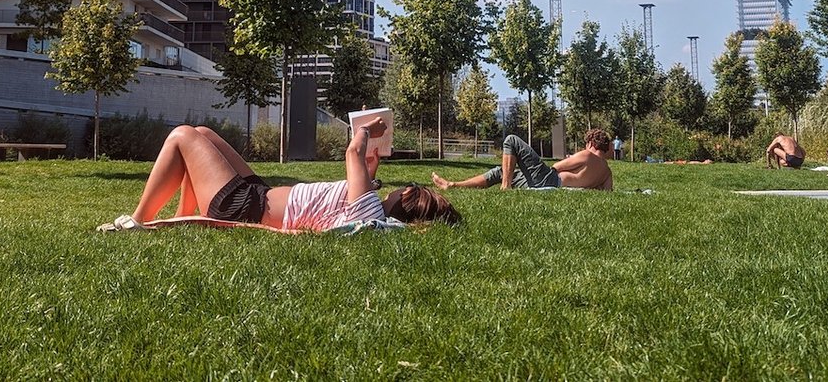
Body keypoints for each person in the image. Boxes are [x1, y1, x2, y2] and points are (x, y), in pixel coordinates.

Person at [100, 117, 460, 232]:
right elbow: (359, 170)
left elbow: (352, 151)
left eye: (408, 191)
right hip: (257, 195)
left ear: (407, 203)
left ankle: (138, 223)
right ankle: (183, 217)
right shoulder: (367, 209)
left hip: (243, 206)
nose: (402, 188)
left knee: (182, 136)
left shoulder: (371, 212)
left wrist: (368, 129)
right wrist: (372, 159)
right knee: (204, 134)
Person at [431, 128, 614, 191]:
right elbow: (606, 193)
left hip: (548, 180)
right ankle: (453, 185)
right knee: (502, 171)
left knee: (511, 140)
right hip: (549, 183)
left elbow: (557, 167)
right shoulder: (607, 172)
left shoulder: (586, 155)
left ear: (591, 143)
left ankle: (505, 187)